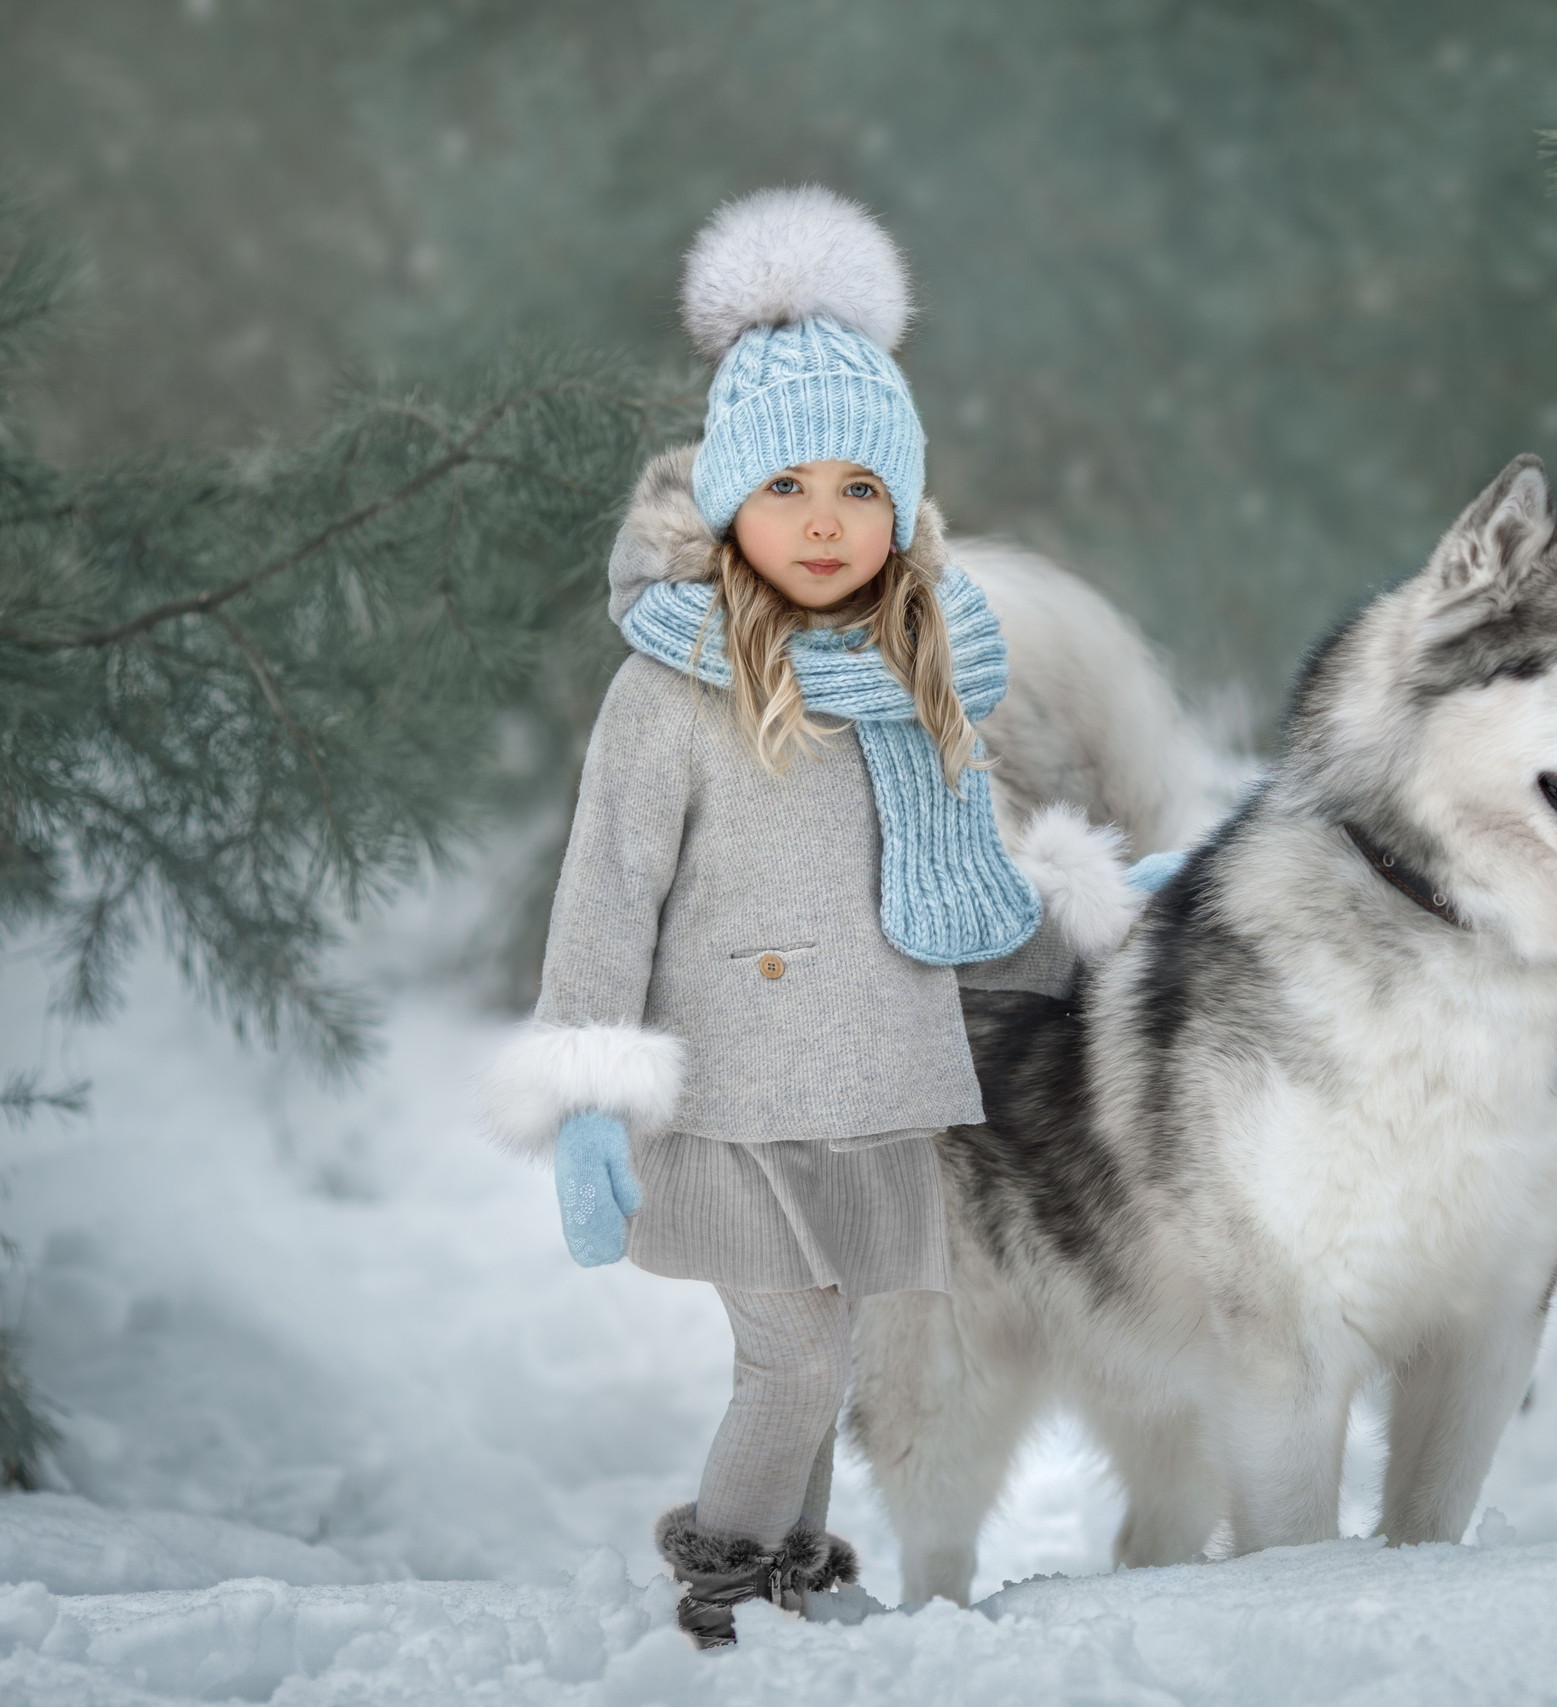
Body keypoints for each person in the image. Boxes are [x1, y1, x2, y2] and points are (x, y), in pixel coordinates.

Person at [478, 186, 1054, 1647]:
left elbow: (962, 878)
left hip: (862, 1090)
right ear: (732, 495)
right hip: (728, 1093)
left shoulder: (919, 674)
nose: (822, 519)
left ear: (900, 510)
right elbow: (608, 883)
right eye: (789, 485)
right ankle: (719, 1583)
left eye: (860, 489)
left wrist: (1112, 919)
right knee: (792, 1359)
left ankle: (795, 1572)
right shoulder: (669, 687)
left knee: (831, 1341)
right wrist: (589, 1088)